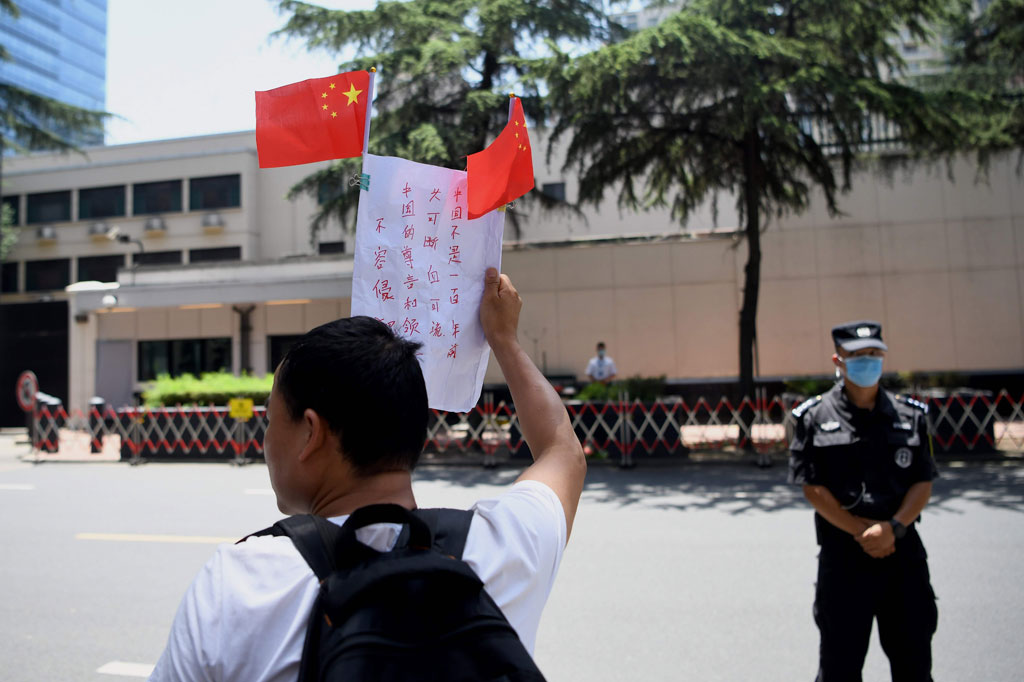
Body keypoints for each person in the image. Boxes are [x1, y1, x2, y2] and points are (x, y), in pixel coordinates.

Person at [150, 268, 587, 681]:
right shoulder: (501, 545)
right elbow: (561, 448)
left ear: (310, 432)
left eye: (270, 420)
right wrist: (503, 339)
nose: (265, 441)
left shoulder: (240, 584)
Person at [788, 320, 938, 682]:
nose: (867, 362)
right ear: (838, 360)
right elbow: (812, 487)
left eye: (874, 354)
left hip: (902, 555)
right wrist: (864, 531)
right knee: (839, 668)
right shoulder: (813, 417)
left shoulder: (911, 415)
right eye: (857, 355)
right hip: (844, 558)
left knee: (914, 666)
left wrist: (893, 528)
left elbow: (923, 481)